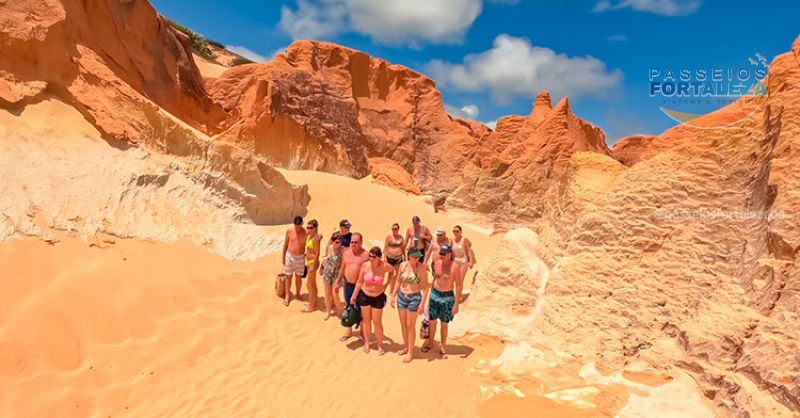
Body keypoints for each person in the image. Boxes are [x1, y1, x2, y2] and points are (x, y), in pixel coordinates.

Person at [350, 246, 394, 355]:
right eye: (369, 256)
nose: (370, 258)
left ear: (379, 257)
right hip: (365, 295)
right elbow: (360, 282)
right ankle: (367, 343)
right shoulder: (365, 266)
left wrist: (386, 284)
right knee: (366, 320)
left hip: (378, 296)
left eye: (373, 256)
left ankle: (379, 345)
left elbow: (393, 271)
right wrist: (353, 296)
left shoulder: (384, 266)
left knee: (377, 321)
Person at [390, 249, 429, 363]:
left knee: (410, 326)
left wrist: (422, 304)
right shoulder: (402, 265)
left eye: (418, 257)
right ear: (409, 256)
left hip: (414, 298)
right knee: (403, 325)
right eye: (414, 257)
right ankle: (406, 346)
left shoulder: (421, 268)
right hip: (402, 297)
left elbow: (425, 287)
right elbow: (398, 280)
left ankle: (411, 352)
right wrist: (393, 295)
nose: (417, 259)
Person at [422, 244, 458, 359]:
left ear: (450, 254)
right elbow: (434, 278)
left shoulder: (455, 267)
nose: (441, 255)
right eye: (441, 253)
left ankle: (443, 346)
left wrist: (456, 304)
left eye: (444, 254)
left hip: (447, 297)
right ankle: (431, 342)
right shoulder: (437, 263)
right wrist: (429, 297)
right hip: (434, 295)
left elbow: (459, 286)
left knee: (444, 323)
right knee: (432, 321)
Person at [335, 233, 369, 341]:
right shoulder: (346, 253)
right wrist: (337, 281)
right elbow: (342, 268)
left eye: (356, 242)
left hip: (361, 287)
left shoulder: (366, 255)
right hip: (347, 285)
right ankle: (348, 332)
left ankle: (362, 333)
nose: (353, 244)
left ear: (361, 242)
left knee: (362, 309)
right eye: (352, 242)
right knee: (348, 308)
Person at [281, 215, 308, 307]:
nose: (297, 227)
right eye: (296, 225)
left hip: (300, 257)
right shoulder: (289, 231)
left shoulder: (305, 232)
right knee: (288, 276)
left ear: (302, 223)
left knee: (298, 277)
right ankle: (287, 296)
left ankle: (298, 293)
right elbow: (285, 244)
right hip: (290, 256)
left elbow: (310, 243)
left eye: (299, 225)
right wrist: (283, 257)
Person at [320, 231, 342, 319]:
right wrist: (321, 268)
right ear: (332, 241)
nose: (339, 244)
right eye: (337, 242)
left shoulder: (342, 250)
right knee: (327, 292)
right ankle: (328, 311)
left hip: (336, 273)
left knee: (335, 292)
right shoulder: (329, 248)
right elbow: (325, 258)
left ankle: (338, 309)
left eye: (340, 241)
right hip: (327, 272)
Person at [302, 219, 322, 313]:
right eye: (307, 227)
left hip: (313, 263)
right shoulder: (310, 237)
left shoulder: (316, 239)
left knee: (309, 284)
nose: (308, 229)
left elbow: (317, 253)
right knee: (312, 284)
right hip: (309, 262)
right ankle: (313, 303)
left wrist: (313, 266)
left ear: (315, 228)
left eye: (311, 228)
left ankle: (311, 306)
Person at [451, 225, 473, 303]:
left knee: (460, 280)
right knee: (453, 280)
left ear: (461, 232)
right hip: (454, 262)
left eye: (457, 231)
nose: (455, 233)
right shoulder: (452, 241)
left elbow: (469, 250)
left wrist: (471, 261)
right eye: (454, 231)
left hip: (463, 262)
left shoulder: (464, 239)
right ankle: (455, 295)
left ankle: (459, 296)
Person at [383, 223, 406, 293]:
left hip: (398, 258)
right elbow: (385, 247)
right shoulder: (389, 237)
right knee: (391, 273)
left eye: (395, 229)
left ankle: (392, 289)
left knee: (397, 274)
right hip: (390, 258)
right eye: (393, 229)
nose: (394, 230)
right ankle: (386, 285)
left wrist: (405, 257)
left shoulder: (401, 238)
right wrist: (384, 257)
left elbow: (403, 248)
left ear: (398, 229)